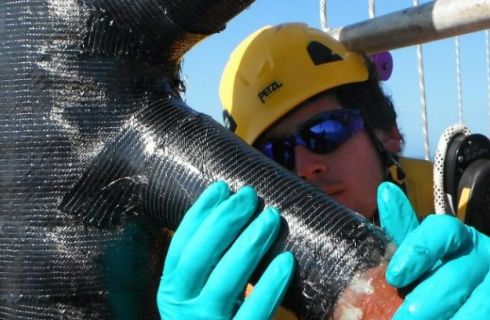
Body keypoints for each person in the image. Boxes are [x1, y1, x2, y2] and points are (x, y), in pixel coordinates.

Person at [157, 23, 490, 319]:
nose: (303, 168)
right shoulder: (241, 291)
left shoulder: (468, 202)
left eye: (326, 131)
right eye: (275, 154)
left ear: (386, 131)